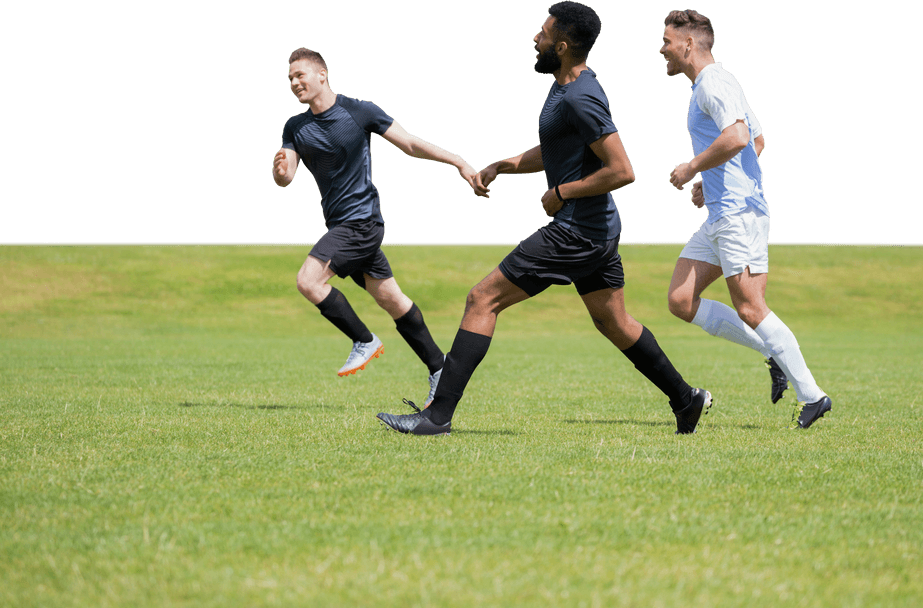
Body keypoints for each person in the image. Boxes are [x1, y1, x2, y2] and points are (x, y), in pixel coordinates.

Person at [376, 1, 711, 436]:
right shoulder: (565, 90)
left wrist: (561, 192)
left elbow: (622, 170)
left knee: (483, 299)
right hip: (597, 230)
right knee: (614, 322)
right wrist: (505, 165)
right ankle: (686, 400)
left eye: (543, 33)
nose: (536, 39)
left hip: (577, 230)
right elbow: (560, 150)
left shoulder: (581, 96)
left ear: (564, 45)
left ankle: (436, 417)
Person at [273, 48, 477, 406]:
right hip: (341, 224)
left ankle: (363, 340)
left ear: (322, 74)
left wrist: (457, 160)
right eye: (290, 78)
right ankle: (440, 369)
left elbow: (411, 144)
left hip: (362, 222)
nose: (294, 83)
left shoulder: (359, 111)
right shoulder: (295, 126)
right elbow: (286, 175)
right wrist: (280, 173)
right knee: (393, 300)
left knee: (308, 280)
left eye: (300, 75)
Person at [659, 10, 832, 429]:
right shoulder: (718, 81)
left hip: (739, 214)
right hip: (722, 212)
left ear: (687, 44)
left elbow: (737, 138)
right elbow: (755, 140)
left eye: (666, 40)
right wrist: (713, 178)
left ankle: (813, 396)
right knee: (681, 300)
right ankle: (771, 353)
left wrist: (693, 168)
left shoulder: (714, 84)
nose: (661, 48)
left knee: (752, 308)